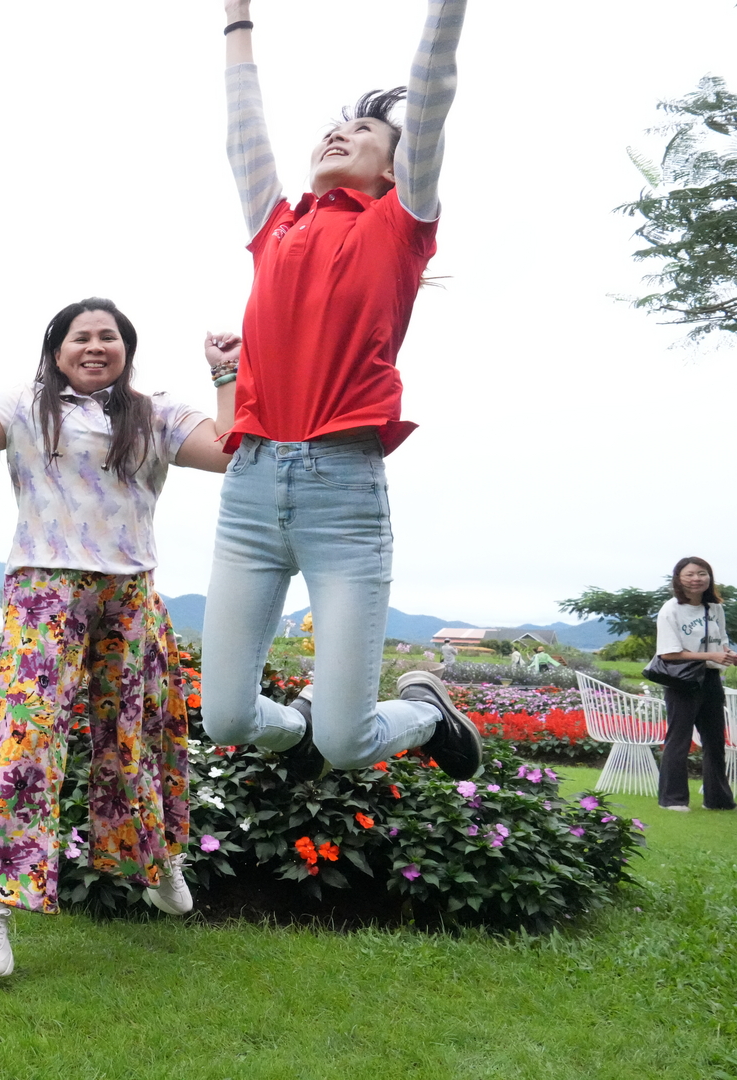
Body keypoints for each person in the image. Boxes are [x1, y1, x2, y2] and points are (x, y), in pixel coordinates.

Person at [197, 0, 485, 784]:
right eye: (333, 127)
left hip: (343, 495)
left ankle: (426, 712)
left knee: (351, 742)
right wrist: (237, 20)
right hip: (251, 491)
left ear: (396, 168)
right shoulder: (276, 225)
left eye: (363, 132)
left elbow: (432, 89)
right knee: (226, 718)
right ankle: (302, 732)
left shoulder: (399, 225)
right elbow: (243, 131)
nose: (339, 134)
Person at [0, 300, 239, 978]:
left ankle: (158, 860)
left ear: (127, 349)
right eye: (81, 337)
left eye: (109, 337)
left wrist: (226, 375)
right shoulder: (26, 406)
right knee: (27, 736)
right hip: (45, 587)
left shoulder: (153, 412)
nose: (95, 346)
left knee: (137, 734)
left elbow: (228, 451)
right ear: (57, 349)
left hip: (129, 590)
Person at [653, 557, 737, 812]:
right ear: (678, 579)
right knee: (679, 739)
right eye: (690, 574)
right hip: (682, 679)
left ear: (709, 578)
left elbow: (721, 642)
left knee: (715, 740)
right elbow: (668, 654)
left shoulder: (715, 608)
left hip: (711, 678)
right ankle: (673, 799)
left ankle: (718, 800)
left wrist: (729, 655)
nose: (696, 579)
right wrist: (711, 655)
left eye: (702, 573)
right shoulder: (671, 609)